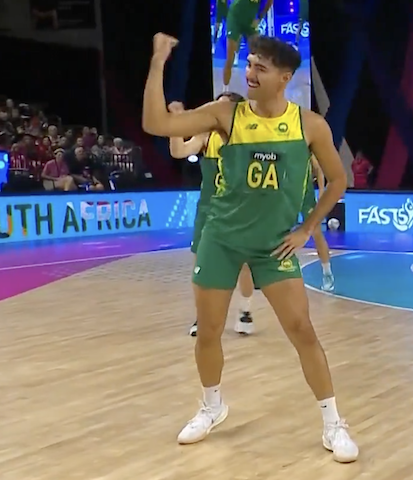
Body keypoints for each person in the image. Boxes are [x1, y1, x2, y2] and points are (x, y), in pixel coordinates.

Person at [141, 33, 357, 462]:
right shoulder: (226, 114)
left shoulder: (309, 125)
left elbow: (338, 180)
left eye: (260, 67)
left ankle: (334, 424)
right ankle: (211, 406)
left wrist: (306, 229)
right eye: (250, 64)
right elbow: (158, 125)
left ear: (285, 77)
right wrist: (157, 63)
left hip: (273, 246)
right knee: (208, 331)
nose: (250, 73)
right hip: (220, 240)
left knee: (303, 332)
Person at [168, 93, 257, 337]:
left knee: (244, 266)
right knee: (202, 267)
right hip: (209, 209)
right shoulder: (206, 134)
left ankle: (245, 311)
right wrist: (175, 123)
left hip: (239, 209)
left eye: (223, 104)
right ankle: (203, 316)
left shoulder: (248, 136)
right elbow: (178, 151)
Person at [302, 154, 336, 291]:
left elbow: (318, 169)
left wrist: (321, 192)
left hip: (306, 197)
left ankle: (327, 274)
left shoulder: (305, 146)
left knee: (316, 233)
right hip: (286, 195)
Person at [222, 0, 273, 92]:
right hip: (235, 17)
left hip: (250, 20)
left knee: (259, 54)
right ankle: (225, 90)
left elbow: (269, 2)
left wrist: (260, 18)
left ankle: (258, 87)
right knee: (230, 57)